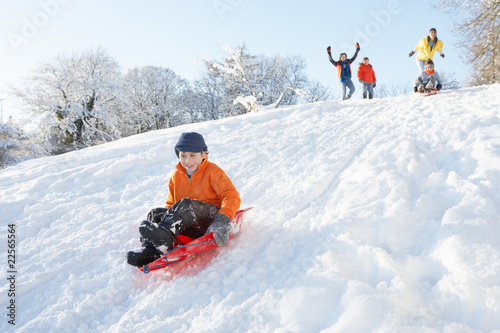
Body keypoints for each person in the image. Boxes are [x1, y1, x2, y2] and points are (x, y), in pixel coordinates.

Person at [126, 132, 241, 267]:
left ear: (203, 154)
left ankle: (165, 237)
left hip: (210, 219)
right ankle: (151, 250)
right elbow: (171, 204)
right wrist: (164, 218)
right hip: (188, 224)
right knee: (155, 213)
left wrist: (222, 219)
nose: (188, 160)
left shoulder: (213, 172)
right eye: (183, 156)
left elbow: (231, 195)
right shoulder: (176, 176)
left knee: (186, 204)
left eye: (193, 155)